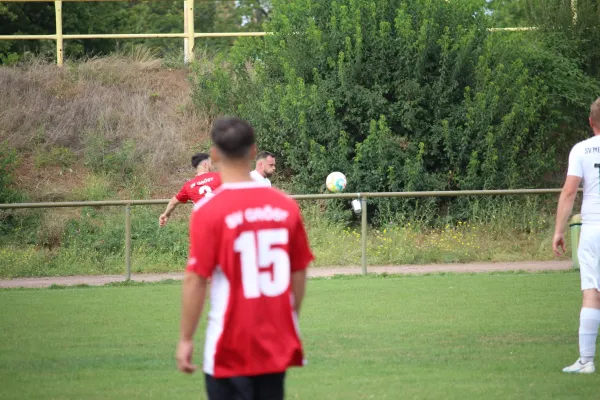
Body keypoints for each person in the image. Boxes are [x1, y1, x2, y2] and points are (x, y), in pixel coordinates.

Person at [176, 116, 314, 399]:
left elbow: (196, 280)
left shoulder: (208, 211)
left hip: (228, 348)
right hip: (273, 344)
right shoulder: (286, 207)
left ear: (213, 155)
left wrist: (186, 339)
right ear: (254, 152)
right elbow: (298, 272)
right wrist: (291, 320)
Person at [554, 97, 600, 374]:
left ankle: (586, 360)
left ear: (590, 121)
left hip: (594, 227)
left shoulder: (581, 150)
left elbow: (569, 191)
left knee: (592, 292)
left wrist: (559, 230)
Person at [159, 153, 221, 227]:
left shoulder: (188, 185)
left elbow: (173, 202)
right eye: (211, 163)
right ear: (205, 164)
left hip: (204, 224)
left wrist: (166, 214)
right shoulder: (219, 176)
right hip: (222, 220)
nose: (212, 166)